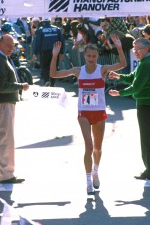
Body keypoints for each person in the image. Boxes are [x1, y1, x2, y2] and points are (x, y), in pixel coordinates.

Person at [50, 34, 127, 195]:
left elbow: (123, 64)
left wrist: (119, 47)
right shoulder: (78, 71)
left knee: (98, 148)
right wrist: (55, 55)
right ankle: (87, 182)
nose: (91, 58)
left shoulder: (102, 70)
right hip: (84, 112)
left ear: (97, 56)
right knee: (89, 146)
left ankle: (95, 171)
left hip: (99, 112)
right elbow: (54, 74)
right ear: (84, 56)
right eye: (88, 56)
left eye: (94, 56)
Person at [108, 38, 150, 180]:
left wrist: (119, 93)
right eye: (134, 49)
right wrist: (119, 76)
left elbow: (136, 86)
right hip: (148, 103)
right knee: (148, 139)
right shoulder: (146, 62)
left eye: (138, 49)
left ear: (147, 49)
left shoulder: (147, 63)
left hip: (147, 104)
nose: (135, 51)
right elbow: (133, 78)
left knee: (147, 139)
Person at [0, 34, 29, 183]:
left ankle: (1, 172)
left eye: (13, 46)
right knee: (6, 139)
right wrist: (20, 86)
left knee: (3, 138)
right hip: (2, 103)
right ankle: (7, 174)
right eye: (9, 46)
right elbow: (2, 86)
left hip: (1, 103)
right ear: (0, 44)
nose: (12, 48)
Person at [33, 18, 64, 87]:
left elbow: (37, 42)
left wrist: (35, 53)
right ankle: (52, 83)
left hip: (45, 51)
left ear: (43, 22)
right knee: (54, 66)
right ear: (49, 22)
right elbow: (61, 40)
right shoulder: (57, 29)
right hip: (55, 51)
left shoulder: (40, 29)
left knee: (45, 66)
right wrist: (62, 52)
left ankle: (46, 80)